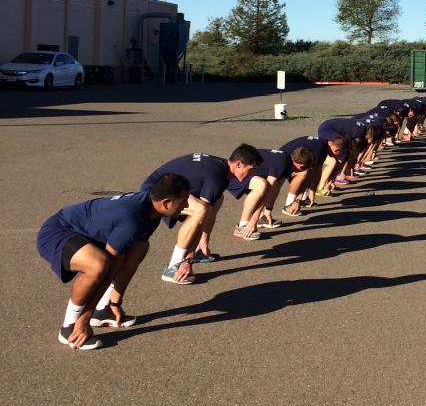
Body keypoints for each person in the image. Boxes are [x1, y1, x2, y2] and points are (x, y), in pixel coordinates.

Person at [36, 174, 191, 350]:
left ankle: (104, 310)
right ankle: (69, 328)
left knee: (140, 248)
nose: (186, 205)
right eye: (184, 200)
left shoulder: (152, 210)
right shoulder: (132, 219)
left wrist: (114, 303)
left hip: (87, 233)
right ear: (166, 203)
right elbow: (110, 270)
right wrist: (85, 318)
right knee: (98, 265)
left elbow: (126, 259)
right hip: (58, 231)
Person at [141, 145, 263, 283]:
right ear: (239, 164)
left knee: (216, 200)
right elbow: (202, 216)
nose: (251, 174)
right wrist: (188, 259)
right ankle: (174, 266)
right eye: (250, 169)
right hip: (154, 192)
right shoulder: (217, 175)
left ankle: (200, 249)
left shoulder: (222, 168)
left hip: (170, 189)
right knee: (201, 210)